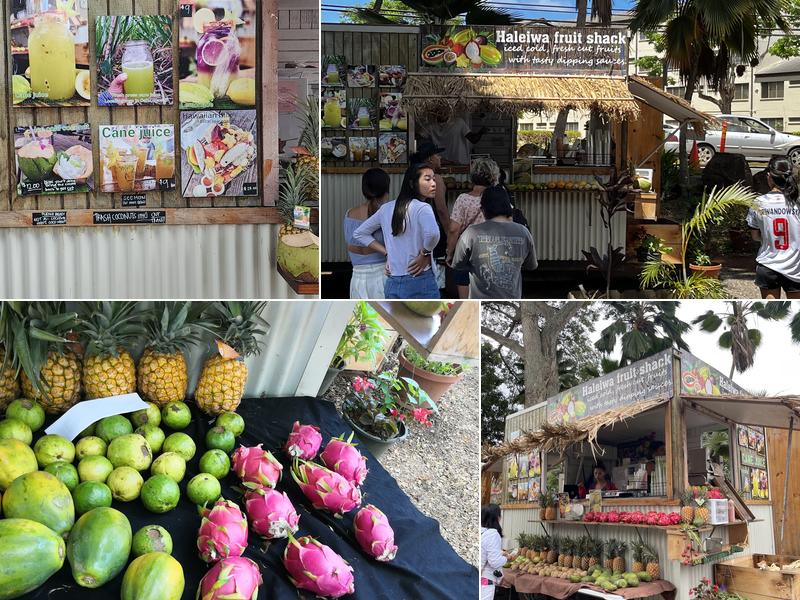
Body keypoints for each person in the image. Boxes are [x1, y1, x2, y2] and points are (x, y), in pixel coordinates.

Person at [353, 163, 440, 299]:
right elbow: (433, 234)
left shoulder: (386, 208)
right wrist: (425, 253)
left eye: (434, 179)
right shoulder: (423, 208)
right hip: (419, 279)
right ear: (412, 183)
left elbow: (359, 233)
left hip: (393, 282)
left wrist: (388, 253)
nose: (433, 183)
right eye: (427, 179)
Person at [452, 186, 537, 298]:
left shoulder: (470, 233)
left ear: (482, 210)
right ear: (509, 208)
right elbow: (531, 265)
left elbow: (458, 264)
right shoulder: (524, 232)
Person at [446, 157, 501, 298]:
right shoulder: (499, 198)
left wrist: (450, 253)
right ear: (494, 176)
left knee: (465, 299)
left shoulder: (463, 199)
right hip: (490, 253)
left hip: (465, 252)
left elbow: (453, 229)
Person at [747, 156, 800, 299]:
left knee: (771, 312)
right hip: (795, 266)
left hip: (768, 265)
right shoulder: (796, 202)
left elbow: (755, 236)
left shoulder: (758, 202)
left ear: (769, 176)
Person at [344, 168, 391, 299]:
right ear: (386, 189)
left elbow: (351, 246)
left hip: (357, 280)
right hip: (383, 277)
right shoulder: (386, 215)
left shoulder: (349, 214)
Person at [410, 143, 449, 270]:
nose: (440, 158)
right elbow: (441, 210)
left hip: (416, 229)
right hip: (433, 229)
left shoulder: (413, 176)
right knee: (437, 270)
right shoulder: (435, 179)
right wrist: (450, 234)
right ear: (429, 159)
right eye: (437, 155)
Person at [480, 504, 506, 600]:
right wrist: (507, 558)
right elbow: (494, 562)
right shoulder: (492, 534)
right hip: (485, 581)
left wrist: (500, 553)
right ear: (497, 518)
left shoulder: (481, 532)